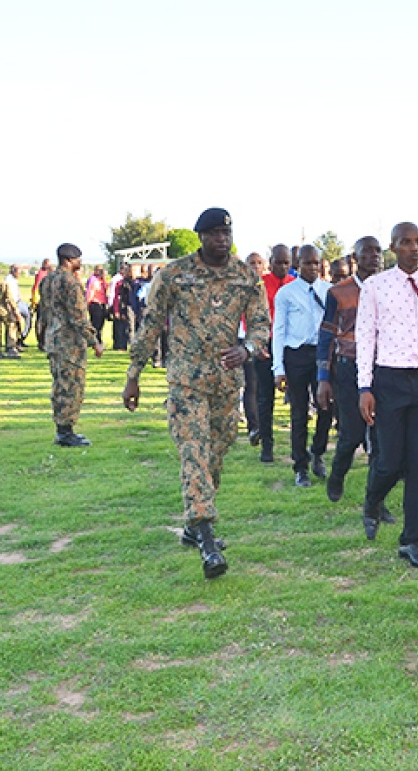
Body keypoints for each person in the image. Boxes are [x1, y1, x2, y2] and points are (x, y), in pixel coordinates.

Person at [123, 208, 270, 580]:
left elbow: (260, 325)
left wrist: (248, 350)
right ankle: (205, 538)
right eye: (215, 233)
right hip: (186, 381)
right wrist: (133, 374)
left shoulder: (245, 276)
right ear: (201, 237)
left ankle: (193, 525)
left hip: (226, 382)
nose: (223, 238)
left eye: (227, 232)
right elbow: (151, 323)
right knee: (193, 450)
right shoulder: (174, 274)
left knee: (216, 453)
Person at [357, 222, 418, 569]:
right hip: (388, 380)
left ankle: (412, 541)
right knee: (390, 461)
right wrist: (365, 387)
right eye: (405, 243)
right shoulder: (376, 287)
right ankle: (373, 500)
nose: (414, 248)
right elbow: (366, 337)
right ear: (393, 247)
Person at [318, 236, 389, 508]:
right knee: (352, 434)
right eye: (367, 252)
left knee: (382, 438)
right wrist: (324, 378)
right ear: (354, 259)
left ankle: (376, 501)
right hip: (349, 370)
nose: (374, 256)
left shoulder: (390, 289)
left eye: (378, 251)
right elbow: (326, 336)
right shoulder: (339, 293)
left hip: (384, 368)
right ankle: (337, 475)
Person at [272, 244, 333, 488]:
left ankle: (318, 451)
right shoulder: (286, 293)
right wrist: (279, 368)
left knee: (326, 407)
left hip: (322, 353)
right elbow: (279, 331)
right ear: (298, 265)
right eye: (307, 263)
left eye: (316, 263)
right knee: (299, 412)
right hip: (296, 354)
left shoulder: (330, 292)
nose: (312, 267)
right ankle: (301, 466)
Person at [40, 244, 105, 447]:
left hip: (53, 339)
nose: (80, 262)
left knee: (59, 385)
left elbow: (44, 311)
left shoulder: (47, 280)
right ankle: (66, 431)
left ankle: (61, 428)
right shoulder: (71, 283)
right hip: (69, 342)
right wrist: (94, 341)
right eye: (78, 258)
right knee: (71, 387)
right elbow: (78, 318)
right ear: (69, 260)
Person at [255, 245, 295, 462]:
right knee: (265, 396)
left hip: (291, 345)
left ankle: (297, 447)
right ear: (271, 262)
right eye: (278, 262)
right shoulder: (260, 285)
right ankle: (266, 446)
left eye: (286, 262)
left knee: (297, 397)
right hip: (266, 344)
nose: (282, 266)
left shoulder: (295, 285)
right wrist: (257, 344)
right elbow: (250, 315)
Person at [241, 252, 265, 443]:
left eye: (259, 263)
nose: (255, 266)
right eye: (252, 263)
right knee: (251, 384)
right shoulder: (240, 285)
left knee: (261, 385)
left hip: (265, 339)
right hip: (242, 339)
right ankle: (254, 425)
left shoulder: (264, 287)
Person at [85, 265, 108, 335]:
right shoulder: (95, 282)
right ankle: (95, 338)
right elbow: (90, 294)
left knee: (101, 322)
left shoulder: (104, 283)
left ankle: (98, 337)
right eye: (104, 275)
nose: (105, 276)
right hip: (95, 304)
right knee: (96, 323)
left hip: (103, 304)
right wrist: (88, 304)